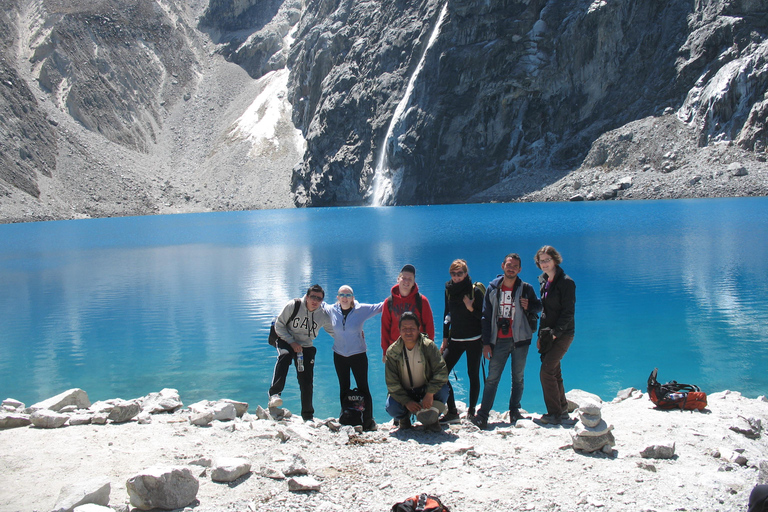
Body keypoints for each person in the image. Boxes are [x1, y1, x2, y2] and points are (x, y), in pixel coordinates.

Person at [471, 253, 542, 430]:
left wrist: (530, 306)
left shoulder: (526, 288)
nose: (511, 268)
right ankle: (483, 415)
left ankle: (514, 412)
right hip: (498, 341)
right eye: (509, 265)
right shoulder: (493, 288)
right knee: (492, 379)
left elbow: (539, 307)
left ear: (520, 269)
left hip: (521, 339)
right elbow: (485, 317)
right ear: (503, 266)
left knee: (518, 378)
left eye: (515, 266)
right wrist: (486, 343)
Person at [268, 284, 334, 421]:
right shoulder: (294, 305)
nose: (315, 301)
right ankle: (274, 394)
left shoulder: (322, 315)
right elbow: (279, 325)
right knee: (285, 356)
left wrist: (352, 336)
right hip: (284, 338)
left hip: (305, 345)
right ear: (307, 296)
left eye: (319, 298)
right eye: (312, 297)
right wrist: (291, 342)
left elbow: (334, 331)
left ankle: (308, 415)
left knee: (306, 379)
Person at [325, 285, 383, 431]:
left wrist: (399, 294)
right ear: (337, 297)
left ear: (353, 297)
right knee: (343, 387)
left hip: (358, 355)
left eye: (348, 295)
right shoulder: (332, 310)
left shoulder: (361, 310)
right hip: (339, 355)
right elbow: (317, 303)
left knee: (363, 388)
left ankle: (368, 420)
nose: (345, 298)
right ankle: (346, 416)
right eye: (342, 295)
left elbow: (381, 306)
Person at [384, 311, 449, 432]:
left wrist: (429, 394)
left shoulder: (428, 346)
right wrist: (407, 401)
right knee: (391, 406)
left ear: (418, 329)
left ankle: (433, 418)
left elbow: (442, 372)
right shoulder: (392, 352)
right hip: (406, 392)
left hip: (425, 389)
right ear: (399, 330)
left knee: (444, 390)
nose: (408, 332)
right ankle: (404, 419)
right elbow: (391, 383)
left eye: (412, 328)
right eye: (404, 328)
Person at [533, 246, 576, 425]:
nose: (544, 264)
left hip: (563, 333)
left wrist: (556, 334)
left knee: (547, 371)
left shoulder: (566, 282)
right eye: (541, 261)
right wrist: (541, 336)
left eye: (547, 260)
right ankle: (563, 410)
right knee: (554, 370)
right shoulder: (544, 281)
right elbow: (545, 311)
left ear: (555, 260)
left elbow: (568, 312)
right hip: (547, 334)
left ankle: (554, 414)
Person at [440, 259, 484, 422]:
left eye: (460, 273)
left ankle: (472, 410)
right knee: (441, 371)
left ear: (466, 273)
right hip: (455, 339)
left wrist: (471, 308)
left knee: (473, 374)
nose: (456, 277)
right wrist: (445, 338)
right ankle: (452, 411)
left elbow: (483, 317)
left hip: (474, 339)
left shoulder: (475, 291)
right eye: (453, 273)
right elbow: (446, 314)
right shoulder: (448, 290)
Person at [380, 264, 435, 362]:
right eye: (404, 278)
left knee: (419, 377)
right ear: (398, 279)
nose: (406, 281)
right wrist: (385, 352)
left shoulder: (422, 301)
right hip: (395, 350)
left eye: (410, 279)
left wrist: (429, 350)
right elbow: (385, 328)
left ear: (414, 282)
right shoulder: (389, 302)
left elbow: (429, 326)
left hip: (418, 348)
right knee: (396, 377)